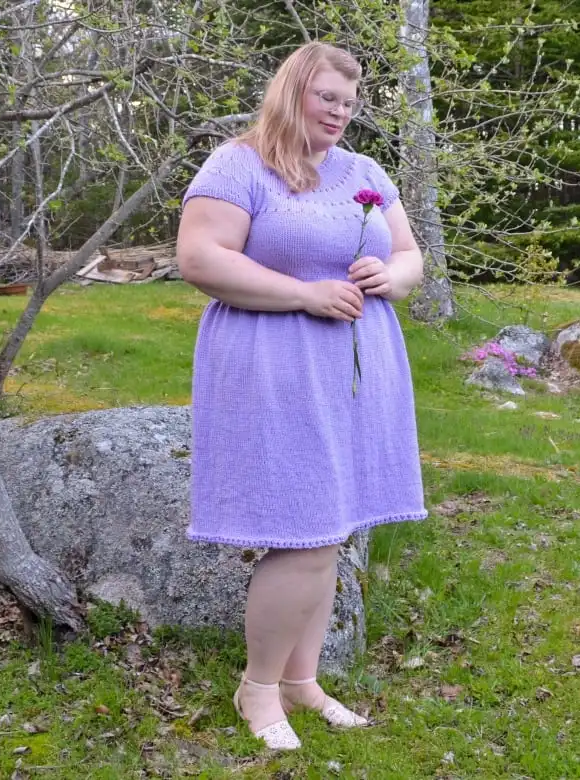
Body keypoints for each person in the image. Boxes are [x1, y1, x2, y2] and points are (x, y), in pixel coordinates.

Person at [176, 41, 427, 751]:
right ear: (292, 92)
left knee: (334, 525)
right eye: (327, 97)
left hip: (357, 371)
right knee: (306, 531)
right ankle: (257, 689)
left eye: (349, 102)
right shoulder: (240, 163)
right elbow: (200, 258)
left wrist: (391, 275)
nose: (340, 112)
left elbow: (411, 257)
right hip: (273, 366)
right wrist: (304, 295)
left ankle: (300, 681)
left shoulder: (364, 170)